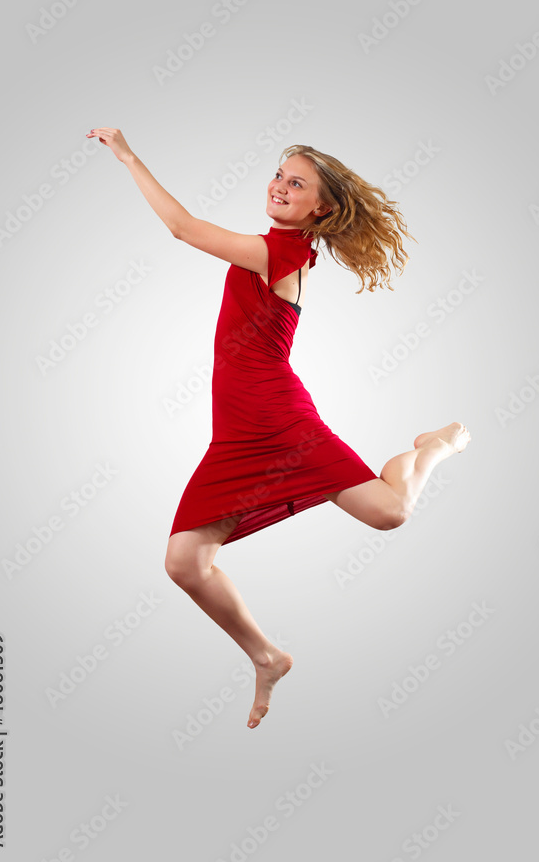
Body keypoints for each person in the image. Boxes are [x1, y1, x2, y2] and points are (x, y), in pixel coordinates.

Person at [85, 127, 471, 730]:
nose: (280, 186)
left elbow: (183, 229)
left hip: (278, 417)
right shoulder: (273, 245)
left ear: (320, 206)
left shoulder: (282, 252)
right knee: (186, 562)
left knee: (390, 513)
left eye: (298, 183)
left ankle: (435, 446)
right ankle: (267, 656)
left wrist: (130, 157)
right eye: (279, 174)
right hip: (236, 430)